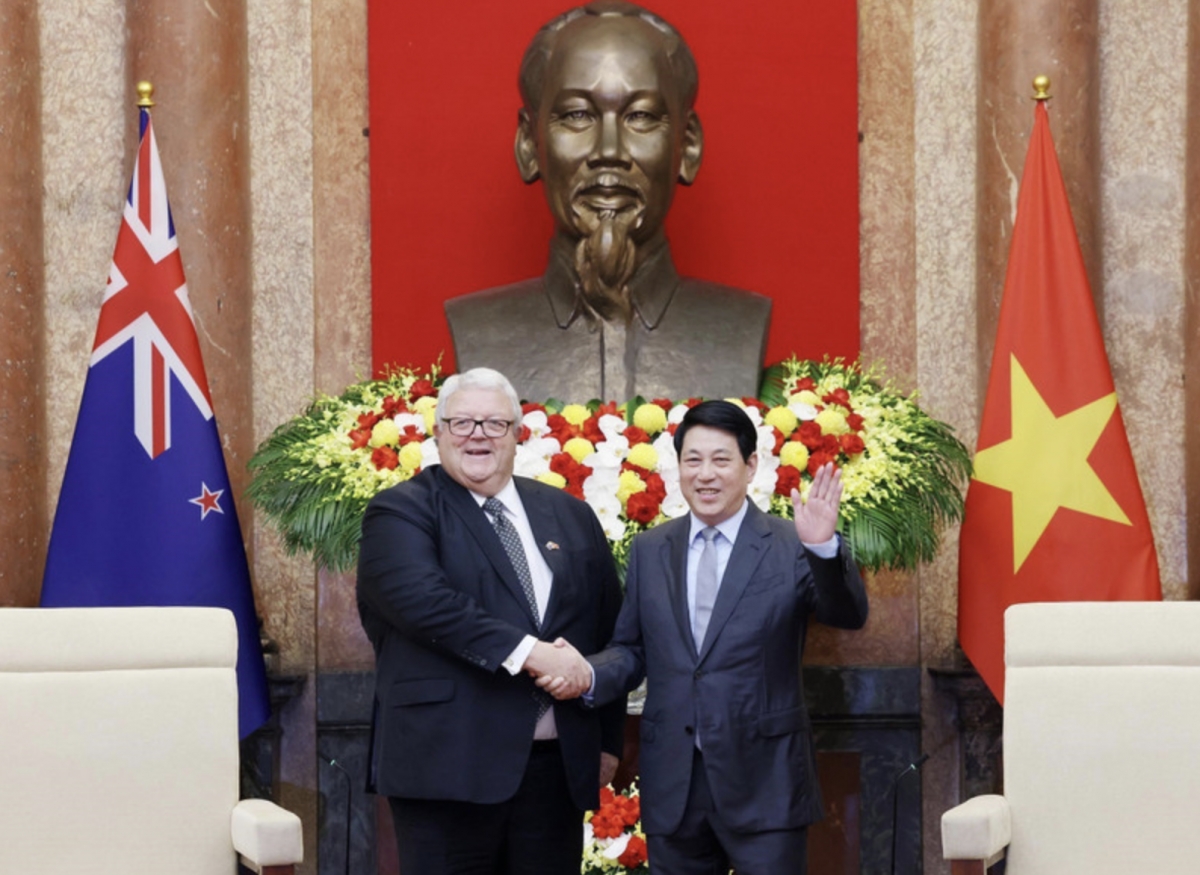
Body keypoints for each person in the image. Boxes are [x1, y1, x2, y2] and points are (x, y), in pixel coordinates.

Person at [541, 400, 869, 874]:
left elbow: (847, 615)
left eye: (721, 460)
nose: (706, 474)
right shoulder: (652, 548)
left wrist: (821, 547)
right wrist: (588, 672)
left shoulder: (790, 542)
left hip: (765, 780)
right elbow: (632, 649)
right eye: (693, 460)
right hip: (674, 781)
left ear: (751, 465)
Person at [357, 366, 625, 875]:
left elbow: (606, 626)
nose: (477, 434)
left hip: (554, 774)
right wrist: (533, 654)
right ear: (438, 433)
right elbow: (426, 603)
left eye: (494, 424)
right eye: (461, 423)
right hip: (447, 769)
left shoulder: (570, 514)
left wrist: (607, 740)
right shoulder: (400, 512)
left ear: (518, 435)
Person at [445, 1, 771, 403]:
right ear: (529, 145)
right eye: (578, 115)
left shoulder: (741, 325)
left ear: (687, 146)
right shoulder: (479, 330)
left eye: (641, 116)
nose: (610, 150)